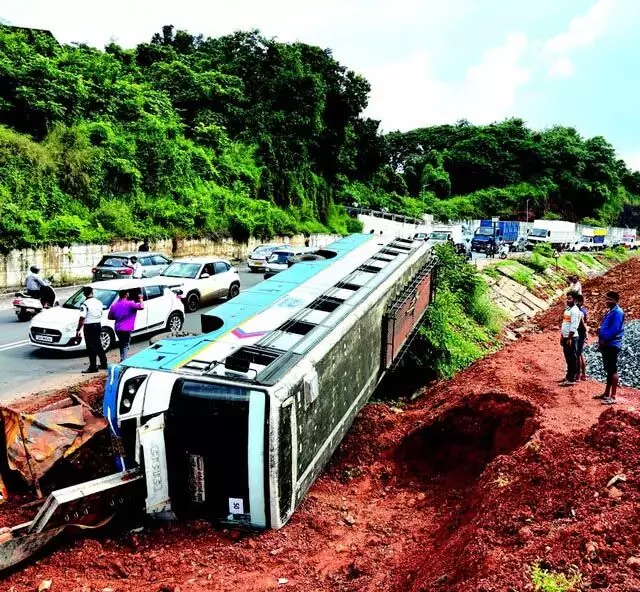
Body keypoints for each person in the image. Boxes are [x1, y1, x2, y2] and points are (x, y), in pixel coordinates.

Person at [595, 291, 625, 405]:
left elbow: (615, 330)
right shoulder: (611, 311)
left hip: (612, 344)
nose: (608, 302)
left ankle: (613, 396)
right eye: (607, 299)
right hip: (607, 344)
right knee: (608, 369)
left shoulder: (617, 312)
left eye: (610, 300)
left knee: (613, 369)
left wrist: (604, 340)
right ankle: (606, 393)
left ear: (616, 301)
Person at [76, 287, 108, 373]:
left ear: (84, 294)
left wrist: (78, 329)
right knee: (98, 345)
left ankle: (93, 366)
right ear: (92, 292)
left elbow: (82, 318)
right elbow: (101, 313)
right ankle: (104, 363)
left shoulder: (85, 304)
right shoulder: (99, 302)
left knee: (90, 347)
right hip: (97, 325)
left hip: (89, 326)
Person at [108, 289, 144, 362]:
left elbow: (110, 317)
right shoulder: (130, 304)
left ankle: (122, 358)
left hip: (118, 328)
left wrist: (119, 316)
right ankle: (124, 361)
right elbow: (141, 307)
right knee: (125, 345)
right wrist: (141, 299)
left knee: (122, 344)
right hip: (126, 328)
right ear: (126, 294)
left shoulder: (114, 305)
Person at [559, 290, 581, 386]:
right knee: (567, 357)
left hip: (571, 337)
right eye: (567, 298)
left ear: (575, 300)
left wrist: (569, 338)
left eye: (570, 298)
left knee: (572, 358)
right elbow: (565, 324)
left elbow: (574, 325)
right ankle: (568, 376)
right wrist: (562, 335)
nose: (567, 300)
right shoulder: (568, 309)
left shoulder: (575, 311)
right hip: (565, 336)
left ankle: (571, 379)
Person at [576, 293, 589, 381]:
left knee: (578, 355)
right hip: (581, 334)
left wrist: (586, 333)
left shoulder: (579, 312)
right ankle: (583, 374)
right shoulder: (584, 311)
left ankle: (578, 375)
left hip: (579, 334)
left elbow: (583, 324)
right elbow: (586, 323)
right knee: (580, 354)